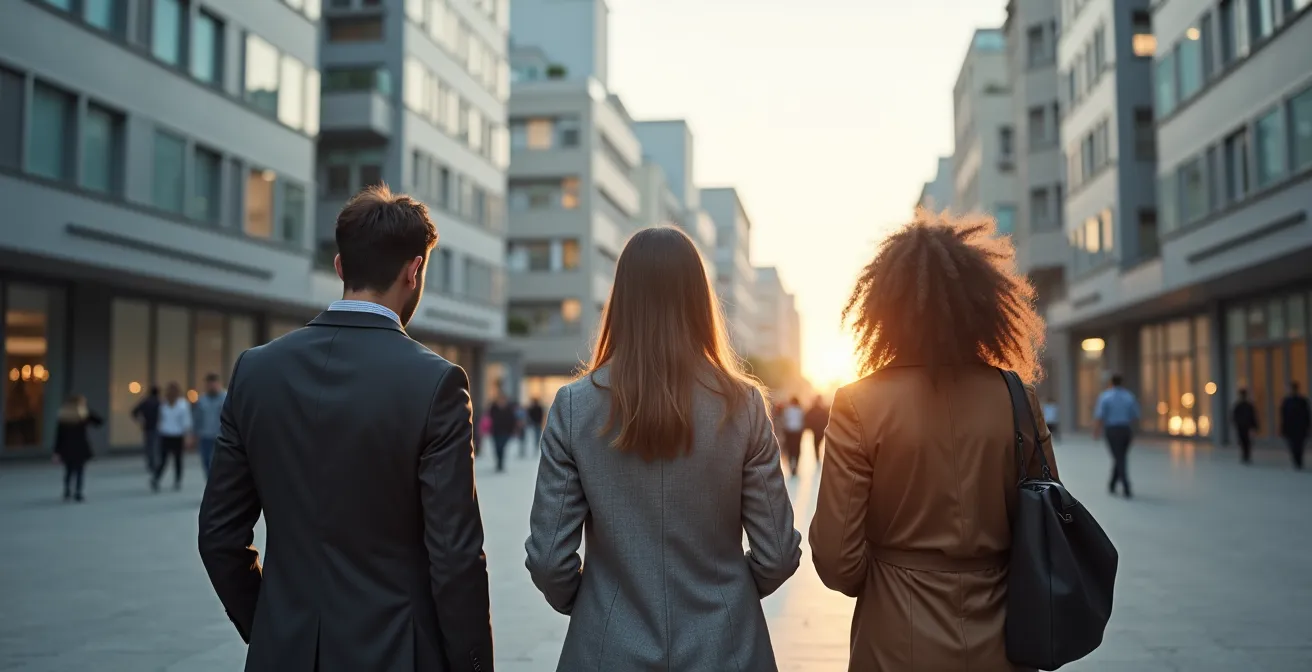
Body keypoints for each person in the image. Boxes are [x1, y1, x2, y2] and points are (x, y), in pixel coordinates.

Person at [198, 185, 493, 671]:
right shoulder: (436, 383)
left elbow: (218, 536)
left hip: (283, 650)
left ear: (340, 267)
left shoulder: (256, 371)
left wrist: (272, 627)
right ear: (414, 270)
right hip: (397, 651)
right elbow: (456, 558)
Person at [526, 227, 801, 671]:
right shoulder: (743, 404)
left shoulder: (574, 406)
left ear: (621, 301)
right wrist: (730, 594)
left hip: (607, 647)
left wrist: (595, 602)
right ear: (699, 300)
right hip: (725, 647)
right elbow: (779, 553)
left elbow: (547, 558)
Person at [810, 211, 1058, 671]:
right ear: (984, 306)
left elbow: (835, 558)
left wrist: (892, 574)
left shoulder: (859, 404)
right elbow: (1045, 521)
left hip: (894, 638)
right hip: (1004, 635)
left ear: (883, 309)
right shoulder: (1016, 398)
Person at [1094, 373, 1140, 498]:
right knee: (1120, 456)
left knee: (1119, 457)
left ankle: (1126, 485)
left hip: (1112, 430)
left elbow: (1100, 415)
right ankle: (1112, 484)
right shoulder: (1129, 396)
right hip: (1125, 429)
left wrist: (1097, 431)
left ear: (1111, 383)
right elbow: (1135, 415)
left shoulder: (1105, 397)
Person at [52, 394, 103, 502]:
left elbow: (59, 436)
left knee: (68, 470)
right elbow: (99, 421)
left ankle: (67, 491)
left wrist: (56, 451)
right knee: (80, 470)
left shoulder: (63, 417)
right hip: (80, 447)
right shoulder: (83, 415)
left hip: (66, 447)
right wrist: (87, 411)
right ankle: (78, 492)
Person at [153, 382, 192, 492]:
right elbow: (161, 419)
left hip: (178, 435)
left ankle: (178, 480)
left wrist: (187, 436)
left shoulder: (183, 404)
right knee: (163, 459)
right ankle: (156, 478)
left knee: (178, 459)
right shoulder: (164, 404)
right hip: (165, 434)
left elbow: (186, 421)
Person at [193, 373, 226, 480]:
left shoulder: (226, 398)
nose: (211, 386)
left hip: (221, 435)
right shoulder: (202, 400)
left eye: (213, 384)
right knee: (206, 461)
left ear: (218, 383)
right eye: (209, 384)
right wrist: (194, 435)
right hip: (205, 435)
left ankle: (219, 483)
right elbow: (197, 418)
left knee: (221, 462)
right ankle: (210, 482)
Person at [1280, 381, 1311, 470]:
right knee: (1293, 445)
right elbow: (1284, 416)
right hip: (1291, 427)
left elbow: (1307, 415)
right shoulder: (1286, 401)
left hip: (1300, 427)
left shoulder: (1302, 401)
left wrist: (1308, 426)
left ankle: (1298, 460)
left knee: (1299, 445)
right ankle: (1296, 460)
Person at [131, 385, 161, 472]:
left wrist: (140, 420)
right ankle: (155, 464)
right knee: (156, 446)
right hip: (156, 427)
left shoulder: (145, 402)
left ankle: (150, 463)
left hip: (147, 426)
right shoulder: (158, 402)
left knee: (149, 446)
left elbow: (134, 411)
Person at [487, 389, 517, 472]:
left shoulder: (509, 409)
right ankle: (498, 462)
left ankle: (501, 463)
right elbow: (490, 418)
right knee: (497, 448)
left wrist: (512, 430)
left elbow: (512, 420)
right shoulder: (493, 408)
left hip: (506, 432)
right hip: (495, 431)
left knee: (502, 447)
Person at [1232, 388, 1258, 464]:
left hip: (1245, 427)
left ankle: (1246, 455)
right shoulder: (1242, 406)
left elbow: (1252, 416)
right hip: (1243, 426)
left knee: (1245, 441)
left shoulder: (1244, 406)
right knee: (1245, 441)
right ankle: (1245, 455)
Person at [781, 396, 805, 476]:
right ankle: (796, 465)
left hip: (789, 432)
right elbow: (802, 421)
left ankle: (791, 465)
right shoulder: (800, 410)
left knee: (790, 449)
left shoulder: (787, 410)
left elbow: (784, 421)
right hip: (797, 432)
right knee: (797, 449)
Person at [804, 395, 829, 462]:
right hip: (819, 430)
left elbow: (807, 417)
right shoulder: (822, 410)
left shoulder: (817, 409)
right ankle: (817, 456)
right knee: (817, 444)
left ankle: (817, 456)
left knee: (816, 444)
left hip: (817, 430)